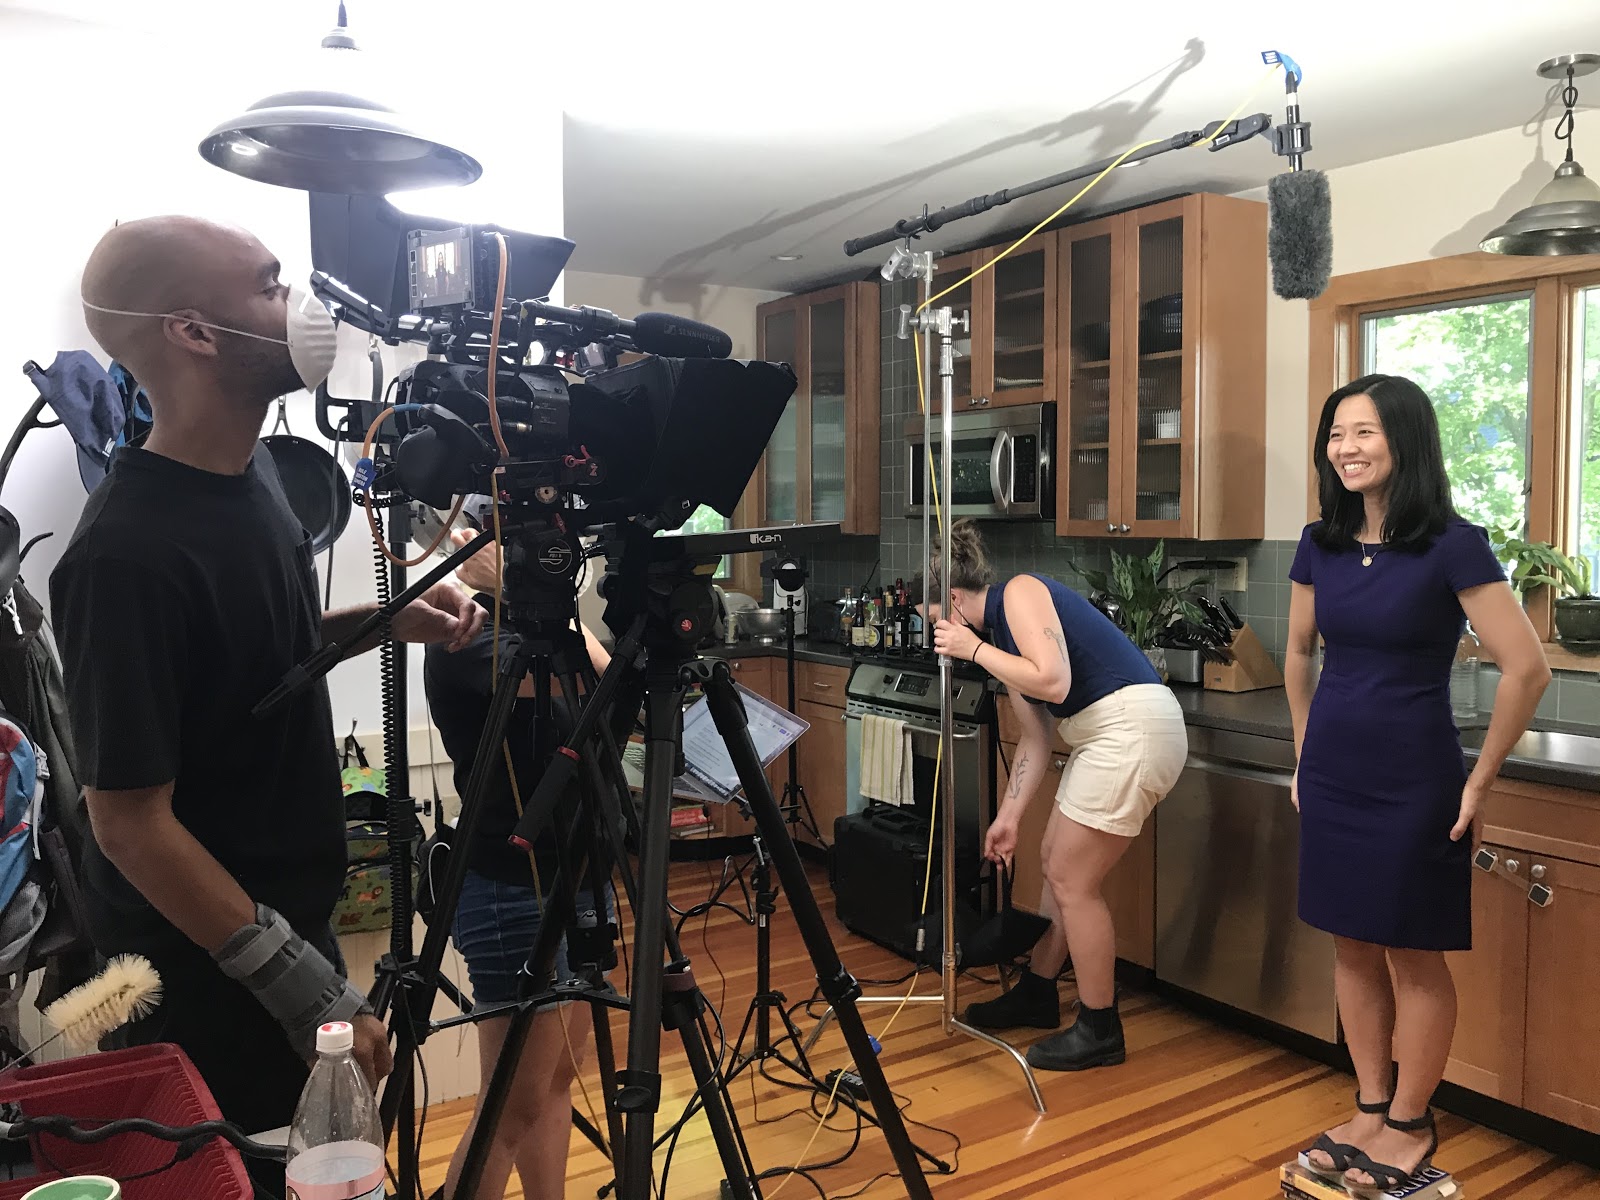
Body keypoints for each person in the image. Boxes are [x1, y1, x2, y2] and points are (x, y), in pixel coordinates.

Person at [51, 216, 485, 1193]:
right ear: (194, 332)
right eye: (270, 284)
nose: (300, 306)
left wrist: (387, 618)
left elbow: (253, 657)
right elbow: (127, 823)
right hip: (205, 979)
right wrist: (302, 987)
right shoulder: (121, 557)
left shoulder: (253, 483)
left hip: (288, 937)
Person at [1287, 374, 1548, 1190]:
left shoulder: (1452, 544)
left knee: (1412, 954)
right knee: (1351, 944)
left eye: (1363, 432)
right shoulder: (1319, 542)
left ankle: (1409, 1121)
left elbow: (1526, 666)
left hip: (1414, 779)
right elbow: (1299, 651)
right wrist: (1304, 754)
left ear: (1405, 441)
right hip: (1333, 773)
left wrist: (1481, 780)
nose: (1346, 448)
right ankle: (1367, 1107)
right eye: (1336, 434)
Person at [930, 519, 1187, 1070]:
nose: (934, 629)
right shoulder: (999, 642)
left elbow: (1055, 682)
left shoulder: (1019, 593)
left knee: (1074, 879)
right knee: (1053, 862)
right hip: (1106, 734)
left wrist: (971, 649)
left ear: (952, 598)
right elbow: (1036, 737)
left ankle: (1100, 1027)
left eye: (933, 617)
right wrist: (1009, 816)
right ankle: (1038, 991)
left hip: (1131, 728)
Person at [425, 524, 615, 1200]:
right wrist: (522, 593)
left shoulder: (548, 624)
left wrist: (549, 599)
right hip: (510, 888)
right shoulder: (462, 632)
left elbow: (609, 687)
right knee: (512, 1102)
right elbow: (586, 686)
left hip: (579, 870)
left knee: (557, 1082)